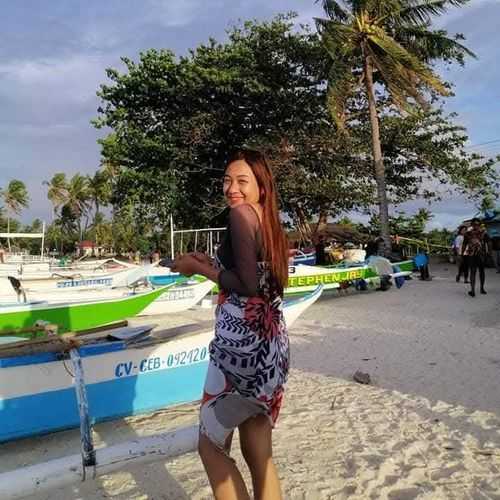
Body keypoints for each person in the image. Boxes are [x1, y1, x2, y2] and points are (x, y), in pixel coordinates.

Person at [172, 149, 289, 499]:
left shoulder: (240, 214)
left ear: (261, 186)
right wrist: (211, 263)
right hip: (271, 350)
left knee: (210, 446)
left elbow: (247, 285)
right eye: (227, 180)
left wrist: (197, 268)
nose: (231, 188)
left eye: (241, 181)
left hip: (240, 351)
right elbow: (255, 276)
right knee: (259, 454)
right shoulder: (268, 219)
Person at [462, 218, 491, 297]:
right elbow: (464, 244)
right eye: (475, 224)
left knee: (478, 271)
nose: (476, 226)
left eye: (477, 224)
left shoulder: (482, 233)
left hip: (478, 255)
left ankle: (478, 289)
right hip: (474, 255)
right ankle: (475, 290)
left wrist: (489, 253)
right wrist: (462, 253)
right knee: (476, 271)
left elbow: (489, 243)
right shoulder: (470, 233)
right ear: (472, 225)